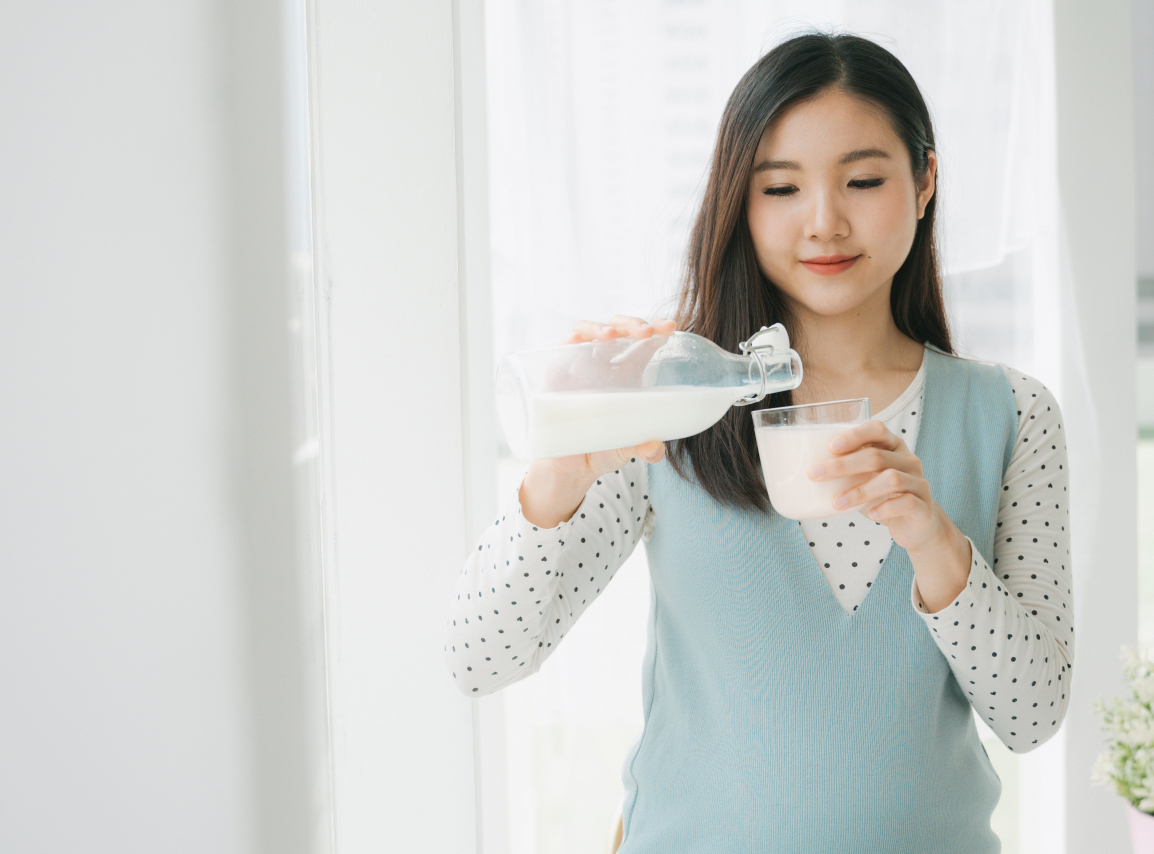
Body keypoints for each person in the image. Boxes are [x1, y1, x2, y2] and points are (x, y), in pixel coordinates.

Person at [446, 31, 1073, 853]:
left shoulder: (1012, 416)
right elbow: (477, 658)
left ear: (924, 183)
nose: (825, 222)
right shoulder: (671, 402)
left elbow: (1031, 717)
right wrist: (559, 472)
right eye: (780, 187)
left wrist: (936, 543)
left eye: (863, 180)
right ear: (739, 201)